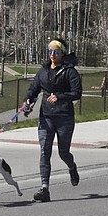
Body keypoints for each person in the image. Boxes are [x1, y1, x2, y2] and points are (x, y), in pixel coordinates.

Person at [23, 37, 83, 203]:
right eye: (49, 51)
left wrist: (60, 97)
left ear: (62, 53)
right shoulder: (43, 71)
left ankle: (72, 167)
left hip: (64, 117)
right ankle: (44, 188)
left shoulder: (70, 71)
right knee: (45, 151)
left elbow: (77, 92)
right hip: (46, 117)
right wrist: (28, 101)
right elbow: (33, 89)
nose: (52, 54)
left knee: (63, 152)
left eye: (55, 51)